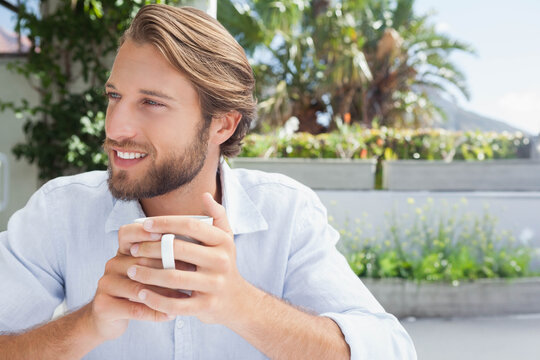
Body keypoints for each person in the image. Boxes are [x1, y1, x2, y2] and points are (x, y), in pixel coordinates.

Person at [0, 4, 416, 359]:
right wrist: (86, 324)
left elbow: (388, 349)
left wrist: (242, 305)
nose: (116, 125)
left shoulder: (284, 213)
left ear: (221, 124)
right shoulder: (60, 212)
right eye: (114, 97)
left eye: (151, 102)